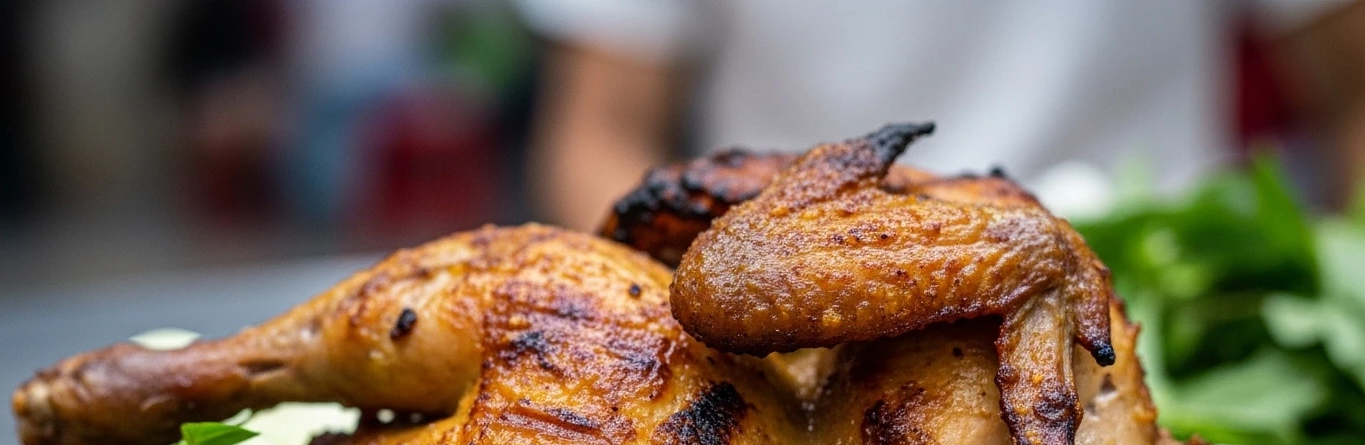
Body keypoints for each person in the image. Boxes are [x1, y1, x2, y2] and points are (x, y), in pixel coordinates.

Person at [519, 0, 1365, 230]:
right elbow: (599, 126)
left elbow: (1352, 85)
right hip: (782, 315)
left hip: (1154, 310)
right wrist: (712, 293)